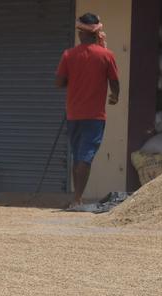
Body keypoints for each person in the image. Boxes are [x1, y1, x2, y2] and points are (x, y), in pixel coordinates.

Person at [55, 12, 120, 210]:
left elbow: (59, 83)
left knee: (78, 155)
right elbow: (115, 82)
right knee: (86, 156)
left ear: (81, 33)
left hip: (74, 114)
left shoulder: (68, 55)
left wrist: (73, 79)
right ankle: (77, 199)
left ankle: (77, 198)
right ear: (96, 32)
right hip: (95, 116)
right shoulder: (107, 55)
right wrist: (115, 97)